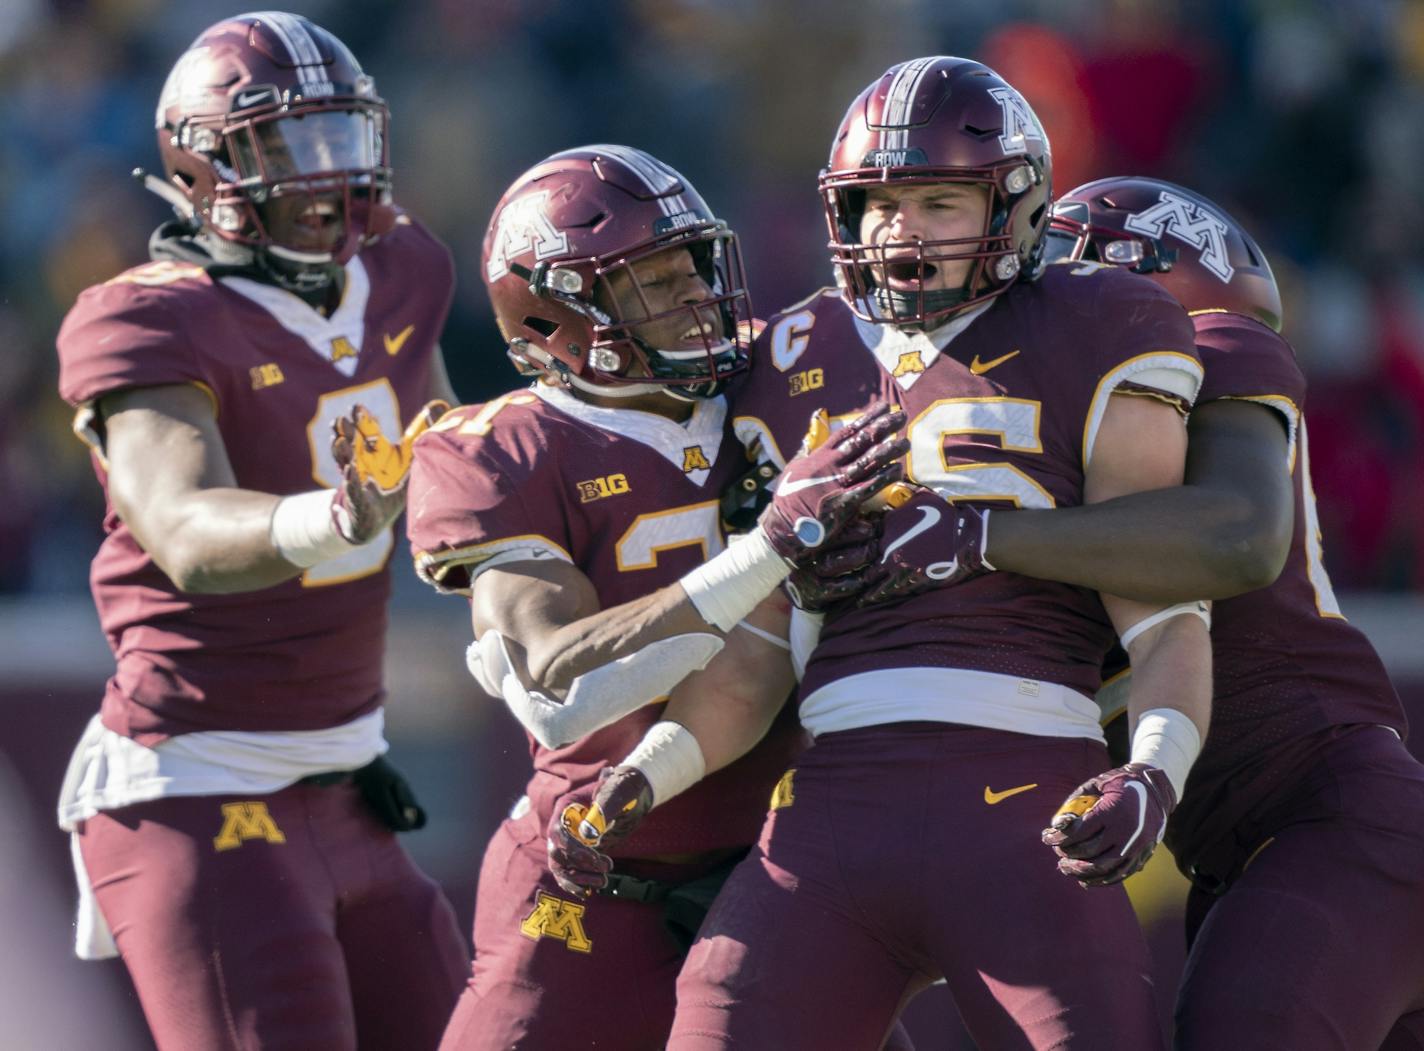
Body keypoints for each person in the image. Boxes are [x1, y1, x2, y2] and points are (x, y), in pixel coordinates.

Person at [614, 56, 1214, 1050]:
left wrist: (1151, 769)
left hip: (1028, 791)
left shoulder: (1097, 322)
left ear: (1016, 208)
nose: (899, 231)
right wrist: (653, 761)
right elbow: (759, 649)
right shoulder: (789, 355)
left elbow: (1160, 600)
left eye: (937, 200)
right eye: (878, 205)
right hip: (828, 805)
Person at [404, 144, 908, 1051]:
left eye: (692, 266)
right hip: (595, 877)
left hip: (783, 873)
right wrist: (769, 553)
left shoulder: (775, 378)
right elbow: (559, 681)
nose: (692, 294)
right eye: (650, 278)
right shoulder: (503, 449)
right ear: (555, 315)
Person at [53, 13, 468, 1051]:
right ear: (203, 166)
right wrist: (337, 512)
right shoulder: (146, 318)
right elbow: (187, 527)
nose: (327, 177)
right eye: (289, 147)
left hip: (350, 781)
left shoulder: (404, 266)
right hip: (197, 785)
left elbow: (451, 454)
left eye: (342, 139)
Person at [936, 176, 1424, 1050]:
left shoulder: (1209, 345)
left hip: (1329, 820)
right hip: (1270, 851)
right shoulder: (1055, 455)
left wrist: (978, 536)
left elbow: (1238, 537)